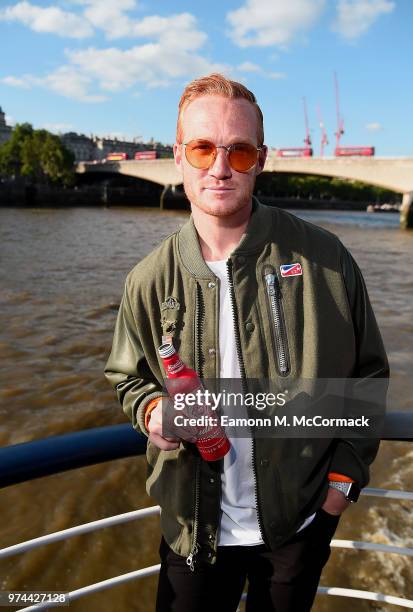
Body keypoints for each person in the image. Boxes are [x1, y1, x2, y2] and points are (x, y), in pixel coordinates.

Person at [104, 73, 389, 611]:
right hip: (193, 531)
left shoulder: (327, 262)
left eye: (238, 151)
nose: (218, 166)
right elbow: (127, 376)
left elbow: (369, 377)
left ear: (261, 159)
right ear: (178, 156)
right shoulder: (148, 279)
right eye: (203, 147)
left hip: (300, 526)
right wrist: (149, 412)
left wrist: (339, 489)